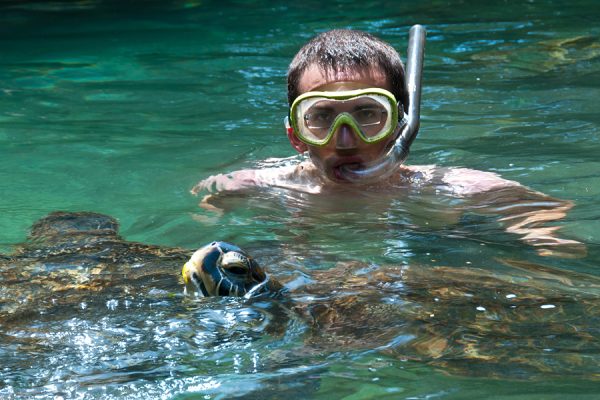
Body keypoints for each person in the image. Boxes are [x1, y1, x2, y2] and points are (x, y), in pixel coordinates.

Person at [192, 29, 583, 257]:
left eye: (367, 114)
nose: (345, 140)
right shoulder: (250, 189)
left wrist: (543, 247)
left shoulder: (456, 188)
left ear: (400, 125)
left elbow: (552, 224)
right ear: (296, 134)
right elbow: (197, 228)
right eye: (322, 117)